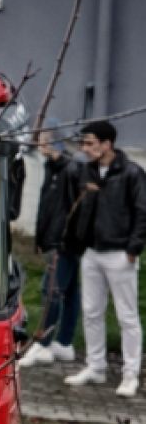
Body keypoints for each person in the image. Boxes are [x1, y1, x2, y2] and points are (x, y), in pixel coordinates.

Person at [62, 120, 146, 397]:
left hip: (121, 253)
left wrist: (133, 249)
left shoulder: (132, 173)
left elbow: (142, 211)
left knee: (127, 316)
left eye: (90, 143)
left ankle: (130, 375)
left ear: (107, 144)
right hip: (92, 252)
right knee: (92, 312)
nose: (84, 149)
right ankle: (95, 367)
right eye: (83, 143)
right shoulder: (87, 170)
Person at [18, 123, 83, 367]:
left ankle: (43, 344)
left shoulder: (71, 170)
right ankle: (64, 343)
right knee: (71, 291)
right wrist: (40, 239)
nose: (40, 143)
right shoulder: (51, 167)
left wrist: (65, 240)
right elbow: (47, 207)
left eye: (44, 138)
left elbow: (75, 209)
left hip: (66, 243)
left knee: (52, 290)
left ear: (55, 141)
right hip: (56, 240)